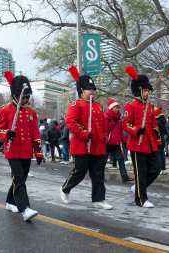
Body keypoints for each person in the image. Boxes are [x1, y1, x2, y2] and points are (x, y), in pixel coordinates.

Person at [59, 66, 113, 210]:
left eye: (93, 88)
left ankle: (98, 199)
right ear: (82, 90)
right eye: (89, 88)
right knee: (80, 172)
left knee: (98, 174)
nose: (93, 91)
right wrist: (84, 132)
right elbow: (70, 122)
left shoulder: (98, 106)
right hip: (82, 145)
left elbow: (102, 126)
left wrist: (104, 139)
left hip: (97, 146)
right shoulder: (76, 105)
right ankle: (65, 189)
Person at [0, 71, 44, 221]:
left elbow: (36, 134)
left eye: (28, 96)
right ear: (15, 95)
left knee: (19, 179)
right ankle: (25, 208)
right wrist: (6, 133)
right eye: (24, 96)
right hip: (12, 150)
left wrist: (39, 152)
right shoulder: (5, 110)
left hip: (27, 151)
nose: (26, 99)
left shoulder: (31, 113)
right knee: (19, 178)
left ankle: (10, 201)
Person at [123, 66, 162, 208]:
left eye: (147, 90)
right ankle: (141, 199)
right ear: (138, 90)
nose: (147, 93)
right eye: (145, 90)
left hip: (150, 143)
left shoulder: (149, 106)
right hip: (136, 143)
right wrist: (135, 130)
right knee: (140, 171)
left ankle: (139, 187)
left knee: (156, 168)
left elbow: (154, 125)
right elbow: (125, 124)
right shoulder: (131, 105)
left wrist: (158, 141)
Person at [104, 99, 133, 182]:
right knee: (103, 161)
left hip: (116, 143)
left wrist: (124, 142)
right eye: (115, 107)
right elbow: (104, 130)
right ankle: (100, 177)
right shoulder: (106, 117)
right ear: (111, 108)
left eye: (118, 107)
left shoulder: (119, 119)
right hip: (107, 143)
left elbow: (121, 132)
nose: (117, 109)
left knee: (121, 160)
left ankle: (125, 177)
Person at [154, 107, 168, 173]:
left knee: (158, 154)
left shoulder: (157, 122)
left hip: (158, 139)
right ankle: (163, 166)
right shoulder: (163, 121)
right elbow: (165, 131)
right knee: (162, 153)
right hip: (162, 138)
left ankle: (159, 167)